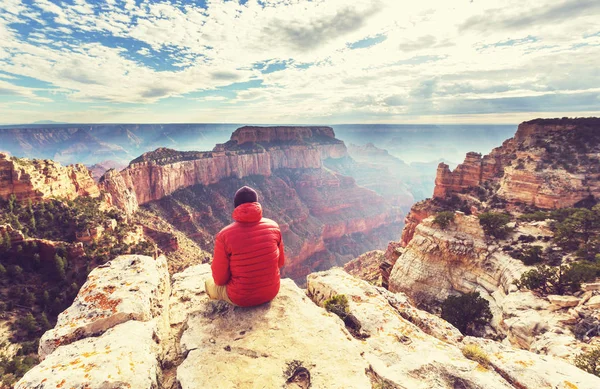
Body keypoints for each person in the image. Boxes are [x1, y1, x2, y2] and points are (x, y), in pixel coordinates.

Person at [205, 186, 285, 307]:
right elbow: (280, 262)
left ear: (236, 206)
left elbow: (220, 280)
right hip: (271, 292)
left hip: (241, 298)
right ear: (257, 203)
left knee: (208, 283)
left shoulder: (224, 235)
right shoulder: (273, 226)